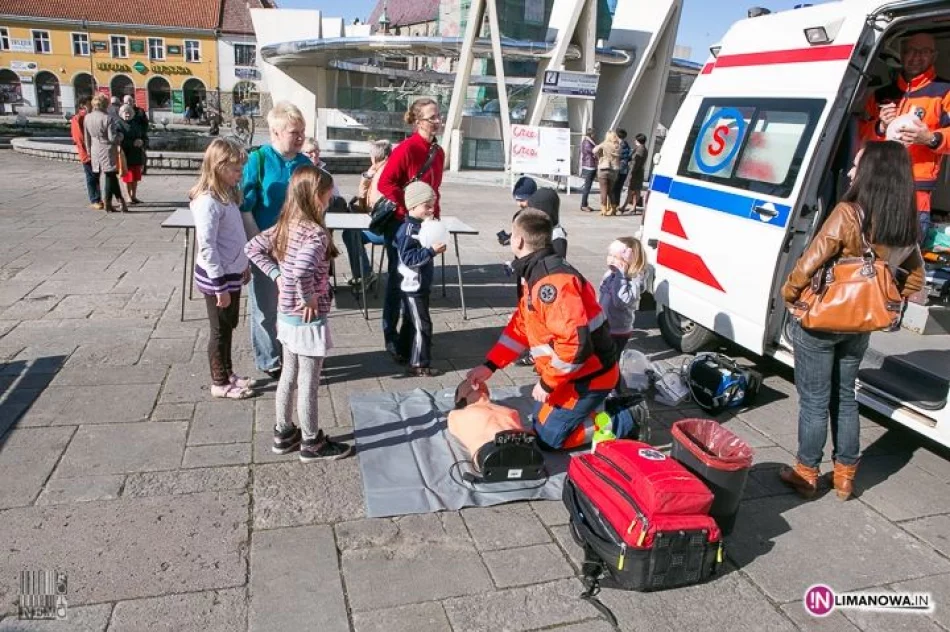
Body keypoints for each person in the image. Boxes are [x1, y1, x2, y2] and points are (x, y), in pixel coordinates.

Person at [779, 141, 925, 501]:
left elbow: (809, 263)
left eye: (857, 165)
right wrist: (883, 295)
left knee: (813, 400)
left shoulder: (848, 213)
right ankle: (845, 477)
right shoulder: (903, 222)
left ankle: (806, 473)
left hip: (821, 321)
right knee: (845, 397)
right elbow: (916, 279)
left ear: (873, 171)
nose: (850, 171)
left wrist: (789, 295)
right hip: (860, 325)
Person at [465, 209, 621, 450]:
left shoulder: (551, 283)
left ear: (518, 241)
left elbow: (574, 345)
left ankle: (621, 418)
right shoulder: (537, 273)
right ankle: (585, 409)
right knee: (538, 423)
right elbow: (520, 328)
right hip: (573, 374)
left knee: (549, 440)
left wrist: (547, 383)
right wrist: (490, 366)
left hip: (591, 376)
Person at [245, 165, 353, 462]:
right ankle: (311, 441)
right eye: (328, 197)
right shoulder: (316, 234)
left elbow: (252, 248)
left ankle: (283, 432)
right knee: (308, 381)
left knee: (288, 374)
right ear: (316, 197)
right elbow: (301, 270)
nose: (330, 202)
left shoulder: (286, 223)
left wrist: (276, 276)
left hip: (286, 317)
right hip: (307, 319)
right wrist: (308, 296)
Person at [241, 102, 311, 379]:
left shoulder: (304, 164)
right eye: (295, 131)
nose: (300, 137)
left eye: (303, 131)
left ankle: (294, 353)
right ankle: (270, 359)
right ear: (276, 132)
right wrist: (259, 244)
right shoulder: (257, 161)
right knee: (265, 307)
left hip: (296, 248)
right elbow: (245, 206)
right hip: (264, 245)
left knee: (295, 305)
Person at [860, 32, 950, 244]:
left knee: (906, 261)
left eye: (924, 51)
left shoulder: (944, 91)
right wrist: (880, 126)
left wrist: (931, 138)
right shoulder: (881, 95)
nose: (916, 56)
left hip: (915, 193)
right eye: (910, 50)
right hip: (877, 187)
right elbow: (862, 137)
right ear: (901, 54)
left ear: (934, 56)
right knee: (872, 257)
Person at [377, 98, 445, 363]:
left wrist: (434, 223)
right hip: (402, 224)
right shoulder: (406, 148)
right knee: (398, 281)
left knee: (421, 280)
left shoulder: (437, 152)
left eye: (439, 116)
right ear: (418, 121)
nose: (437, 121)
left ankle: (411, 336)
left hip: (426, 224)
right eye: (432, 117)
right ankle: (390, 337)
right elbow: (385, 183)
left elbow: (435, 190)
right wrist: (409, 209)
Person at [190, 138, 255, 400]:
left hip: (232, 272)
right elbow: (208, 247)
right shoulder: (208, 201)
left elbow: (234, 236)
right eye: (236, 170)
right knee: (219, 330)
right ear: (219, 167)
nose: (240, 176)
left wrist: (243, 266)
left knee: (229, 325)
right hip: (218, 278)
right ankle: (219, 381)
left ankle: (228, 372)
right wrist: (219, 287)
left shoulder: (226, 194)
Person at [395, 181, 447, 376]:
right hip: (412, 286)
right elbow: (409, 258)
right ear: (413, 206)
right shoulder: (409, 230)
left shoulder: (419, 226)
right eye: (427, 205)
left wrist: (433, 246)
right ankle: (418, 363)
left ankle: (403, 351)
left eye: (431, 205)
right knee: (422, 325)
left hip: (418, 284)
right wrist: (431, 251)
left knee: (410, 321)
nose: (431, 209)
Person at [448, 381, 528, 458]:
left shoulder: (502, 408)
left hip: (524, 445)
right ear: (458, 398)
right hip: (492, 452)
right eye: (469, 384)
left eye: (479, 381)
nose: (476, 384)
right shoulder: (456, 414)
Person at [599, 237, 647, 356]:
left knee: (611, 360)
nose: (611, 260)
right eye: (610, 255)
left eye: (616, 258)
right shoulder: (611, 274)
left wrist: (621, 277)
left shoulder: (633, 281)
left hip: (618, 331)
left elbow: (620, 302)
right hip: (605, 325)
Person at [84, 93, 127, 213]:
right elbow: (113, 138)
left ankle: (119, 200)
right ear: (105, 105)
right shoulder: (107, 118)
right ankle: (109, 202)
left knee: (111, 176)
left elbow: (86, 137)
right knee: (110, 175)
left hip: (95, 149)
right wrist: (121, 136)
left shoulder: (88, 117)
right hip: (107, 149)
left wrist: (89, 151)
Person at [70, 97, 102, 210]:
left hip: (97, 152)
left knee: (96, 176)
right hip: (87, 153)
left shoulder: (91, 116)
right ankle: (95, 199)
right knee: (91, 177)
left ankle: (98, 198)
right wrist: (87, 154)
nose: (93, 106)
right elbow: (79, 139)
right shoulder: (78, 119)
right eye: (90, 104)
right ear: (83, 105)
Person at [117, 104, 148, 204]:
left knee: (135, 177)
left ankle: (134, 196)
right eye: (125, 112)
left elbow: (145, 137)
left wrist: (142, 142)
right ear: (121, 114)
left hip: (137, 154)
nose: (127, 114)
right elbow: (118, 141)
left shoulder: (136, 124)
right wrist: (132, 143)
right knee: (127, 177)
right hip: (125, 155)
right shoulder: (118, 125)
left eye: (129, 112)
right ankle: (128, 197)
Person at [594, 131, 621, 216]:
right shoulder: (618, 146)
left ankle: (603, 209)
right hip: (614, 170)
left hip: (604, 169)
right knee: (610, 191)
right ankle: (613, 209)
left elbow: (594, 150)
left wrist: (599, 156)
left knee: (603, 190)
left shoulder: (604, 144)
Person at [622, 134, 648, 214]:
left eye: (636, 140)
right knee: (636, 190)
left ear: (638, 141)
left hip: (636, 172)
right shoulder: (642, 149)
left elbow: (636, 162)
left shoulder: (640, 150)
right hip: (638, 172)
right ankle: (631, 207)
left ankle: (626, 206)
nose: (634, 141)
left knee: (632, 190)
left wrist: (631, 172)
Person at [613, 129, 632, 209]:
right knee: (618, 188)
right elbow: (629, 157)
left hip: (618, 169)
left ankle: (613, 205)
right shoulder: (626, 145)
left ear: (617, 136)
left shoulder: (620, 145)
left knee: (614, 188)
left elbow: (619, 156)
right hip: (624, 170)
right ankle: (616, 205)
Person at [579, 128, 597, 213]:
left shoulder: (589, 141)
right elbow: (593, 151)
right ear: (591, 134)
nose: (595, 135)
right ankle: (583, 205)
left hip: (591, 164)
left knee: (588, 186)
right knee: (587, 186)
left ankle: (585, 204)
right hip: (589, 165)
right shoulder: (587, 142)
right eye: (594, 134)